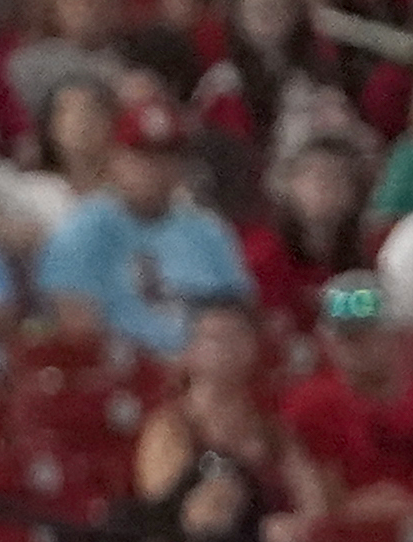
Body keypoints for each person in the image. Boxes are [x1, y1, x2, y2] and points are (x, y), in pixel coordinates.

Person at [33, 97, 255, 358]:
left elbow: (241, 311)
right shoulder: (82, 229)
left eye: (166, 156)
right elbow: (76, 326)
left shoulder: (206, 229)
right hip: (123, 374)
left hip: (206, 371)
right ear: (115, 159)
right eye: (142, 155)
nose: (154, 169)